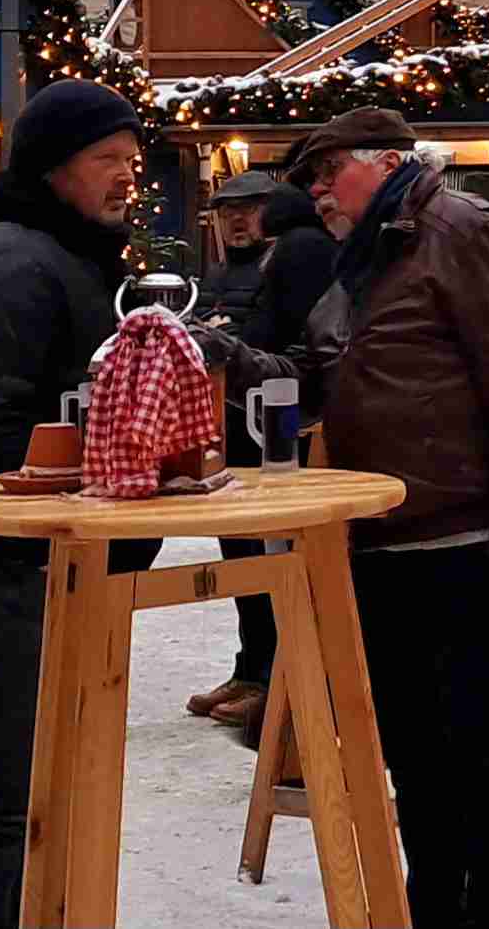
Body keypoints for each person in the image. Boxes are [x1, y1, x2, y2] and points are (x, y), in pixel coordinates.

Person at [269, 107, 489, 920]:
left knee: (484, 757)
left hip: (466, 547)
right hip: (384, 545)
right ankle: (436, 909)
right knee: (416, 758)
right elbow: (322, 370)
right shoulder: (365, 256)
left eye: (327, 172)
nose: (318, 193)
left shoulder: (457, 228)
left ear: (386, 160)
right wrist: (234, 363)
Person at [0, 79, 146, 929]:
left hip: (46, 547)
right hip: (9, 554)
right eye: (106, 159)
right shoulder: (17, 262)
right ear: (54, 168)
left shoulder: (65, 251)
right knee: (8, 777)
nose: (125, 175)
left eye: (130, 159)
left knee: (46, 765)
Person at [192, 166, 307, 729]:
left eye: (250, 207)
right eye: (227, 210)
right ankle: (250, 666)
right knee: (238, 560)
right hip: (226, 441)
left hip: (274, 440)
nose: (238, 219)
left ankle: (272, 678)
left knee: (271, 564)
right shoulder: (212, 275)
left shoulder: (284, 266)